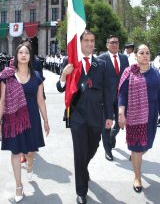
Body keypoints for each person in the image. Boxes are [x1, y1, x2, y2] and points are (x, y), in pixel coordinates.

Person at [57, 30, 113, 204]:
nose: (89, 43)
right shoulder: (71, 61)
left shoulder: (101, 64)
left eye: (92, 40)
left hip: (96, 115)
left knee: (94, 146)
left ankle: (83, 168)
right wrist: (64, 75)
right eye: (86, 40)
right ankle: (81, 191)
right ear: (80, 43)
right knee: (79, 152)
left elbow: (107, 92)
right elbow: (60, 87)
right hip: (77, 115)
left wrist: (109, 115)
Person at [0, 42, 49, 203]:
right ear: (16, 56)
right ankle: (19, 186)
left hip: (32, 118)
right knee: (15, 153)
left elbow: (40, 100)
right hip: (13, 119)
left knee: (30, 152)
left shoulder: (37, 76)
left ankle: (30, 166)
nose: (23, 55)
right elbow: (2, 100)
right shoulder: (8, 76)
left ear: (30, 56)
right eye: (20, 53)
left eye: (26, 52)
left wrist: (46, 120)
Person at [118, 44, 160, 193]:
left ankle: (134, 155)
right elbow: (122, 94)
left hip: (151, 115)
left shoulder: (155, 73)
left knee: (147, 145)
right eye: (142, 53)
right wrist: (121, 114)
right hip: (135, 116)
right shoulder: (129, 72)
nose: (145, 55)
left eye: (147, 53)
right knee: (138, 148)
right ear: (136, 56)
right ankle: (137, 177)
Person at [98, 35, 129, 161]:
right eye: (112, 42)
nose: (115, 44)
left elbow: (127, 77)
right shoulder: (101, 59)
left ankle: (112, 136)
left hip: (121, 97)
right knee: (106, 124)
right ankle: (107, 150)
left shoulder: (124, 58)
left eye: (116, 42)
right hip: (106, 98)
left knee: (121, 121)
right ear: (107, 45)